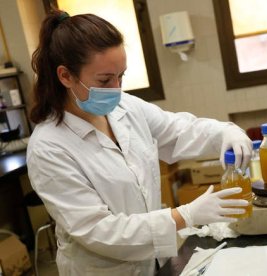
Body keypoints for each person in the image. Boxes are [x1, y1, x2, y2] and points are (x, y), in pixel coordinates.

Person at [27, 9, 252, 276]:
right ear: (65, 76)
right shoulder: (49, 148)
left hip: (156, 262)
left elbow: (178, 131)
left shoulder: (125, 107)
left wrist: (224, 133)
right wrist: (185, 216)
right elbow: (99, 231)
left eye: (121, 75)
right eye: (104, 80)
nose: (117, 88)